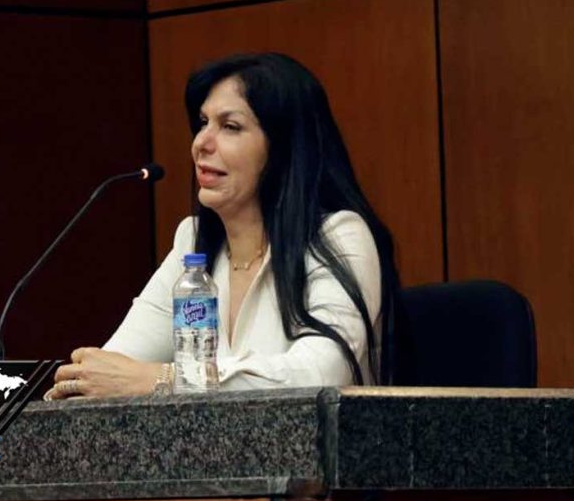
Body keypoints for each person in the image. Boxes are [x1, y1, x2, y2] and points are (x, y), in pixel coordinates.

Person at [46, 53, 401, 399]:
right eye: (203, 123)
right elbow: (116, 369)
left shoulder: (339, 237)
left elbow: (321, 374)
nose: (201, 143)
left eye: (230, 127)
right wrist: (89, 382)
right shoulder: (192, 244)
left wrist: (165, 379)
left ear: (284, 148)